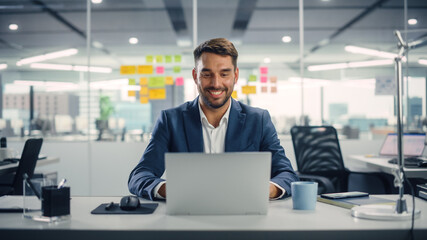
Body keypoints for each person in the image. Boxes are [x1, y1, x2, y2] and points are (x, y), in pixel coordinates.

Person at [128, 38, 298, 200]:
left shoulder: (258, 120)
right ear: (195, 76)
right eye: (207, 74)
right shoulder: (171, 120)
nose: (216, 84)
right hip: (188, 216)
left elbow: (287, 174)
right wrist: (171, 189)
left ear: (236, 76)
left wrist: (267, 189)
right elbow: (139, 176)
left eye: (224, 74)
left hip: (244, 217)